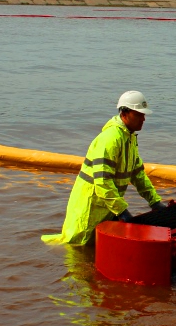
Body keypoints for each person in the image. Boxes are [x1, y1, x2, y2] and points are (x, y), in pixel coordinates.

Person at [42, 91, 167, 246]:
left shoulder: (129, 138)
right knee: (77, 247)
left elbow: (138, 175)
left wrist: (154, 201)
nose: (143, 119)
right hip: (89, 209)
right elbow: (102, 182)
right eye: (139, 114)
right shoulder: (110, 139)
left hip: (108, 208)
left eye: (144, 114)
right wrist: (122, 212)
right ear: (125, 113)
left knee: (97, 247)